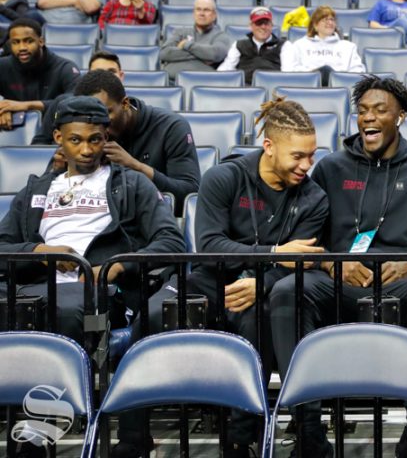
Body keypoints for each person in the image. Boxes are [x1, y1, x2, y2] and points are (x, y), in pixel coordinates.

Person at [138, 98, 328, 458]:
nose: (307, 165)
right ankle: (133, 438)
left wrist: (264, 281)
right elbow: (210, 245)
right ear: (269, 147)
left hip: (265, 286)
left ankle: (241, 440)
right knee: (150, 317)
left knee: (261, 319)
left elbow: (303, 259)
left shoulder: (314, 197)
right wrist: (274, 254)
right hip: (212, 277)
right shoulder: (223, 177)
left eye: (312, 155)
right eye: (298, 156)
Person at [271, 77, 407, 458]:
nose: (368, 118)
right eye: (362, 111)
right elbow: (309, 235)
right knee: (287, 291)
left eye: (380, 110)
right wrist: (335, 267)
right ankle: (308, 431)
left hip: (402, 282)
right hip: (341, 282)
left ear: (400, 116)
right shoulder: (332, 167)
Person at [0, 95, 184, 350]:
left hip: (98, 290)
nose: (86, 150)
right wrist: (39, 252)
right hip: (37, 285)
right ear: (58, 139)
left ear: (106, 138)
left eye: (94, 139)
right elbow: (3, 247)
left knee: (66, 307)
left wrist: (115, 266)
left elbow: (172, 241)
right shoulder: (34, 190)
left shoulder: (131, 184)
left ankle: (68, 385)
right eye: (75, 140)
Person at [34, 69, 202, 207]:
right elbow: (38, 199)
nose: (99, 121)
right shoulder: (84, 132)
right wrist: (55, 171)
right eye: (89, 115)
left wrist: (135, 166)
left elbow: (190, 194)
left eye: (105, 112)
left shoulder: (170, 126)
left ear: (125, 104)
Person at [0, 18, 80, 129]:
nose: (22, 47)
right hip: (13, 129)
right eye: (16, 42)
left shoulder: (65, 67)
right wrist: (3, 110)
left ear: (41, 41)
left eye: (28, 41)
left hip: (55, 128)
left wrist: (26, 106)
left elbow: (76, 100)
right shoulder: (2, 65)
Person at [281, 6, 365, 80]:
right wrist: (313, 74)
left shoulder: (348, 47)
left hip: (338, 87)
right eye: (325, 20)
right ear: (315, 25)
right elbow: (290, 71)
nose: (330, 22)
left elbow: (357, 72)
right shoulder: (299, 45)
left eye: (332, 19)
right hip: (308, 85)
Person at [159, 0, 231, 79]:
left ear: (214, 15)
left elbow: (215, 54)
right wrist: (203, 55)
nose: (202, 13)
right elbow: (164, 53)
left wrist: (186, 45)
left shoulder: (221, 35)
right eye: (198, 9)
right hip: (172, 84)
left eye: (206, 10)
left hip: (204, 84)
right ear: (194, 13)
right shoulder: (181, 33)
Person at [217, 7, 288, 84]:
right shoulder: (239, 45)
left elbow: (288, 74)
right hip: (245, 90)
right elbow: (226, 68)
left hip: (273, 87)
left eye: (266, 23)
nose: (263, 27)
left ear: (271, 25)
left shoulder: (284, 45)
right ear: (251, 26)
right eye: (259, 23)